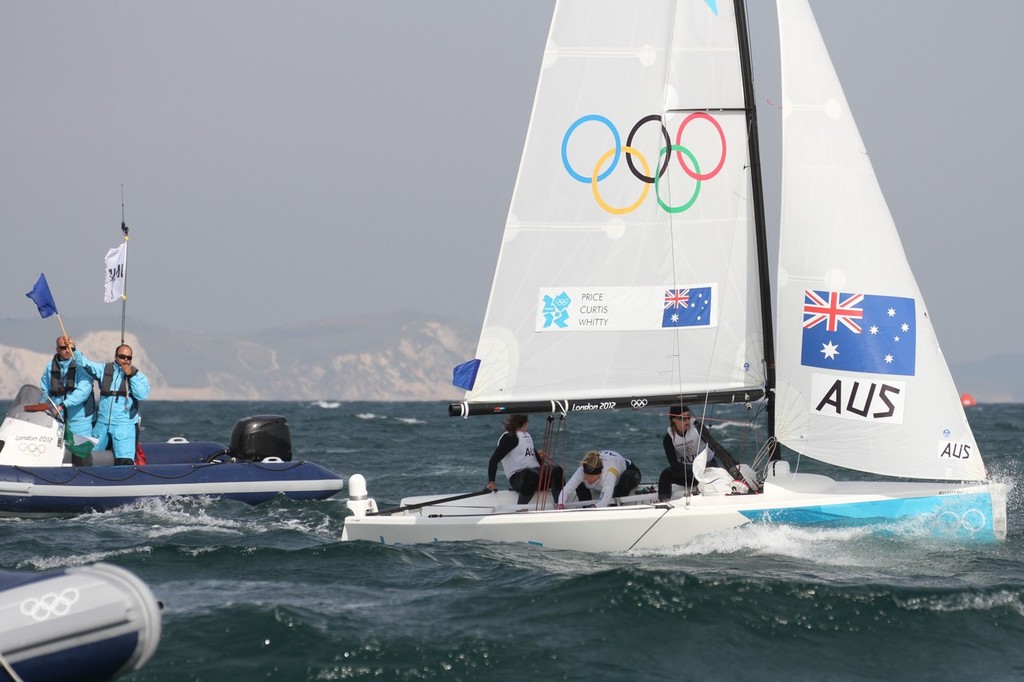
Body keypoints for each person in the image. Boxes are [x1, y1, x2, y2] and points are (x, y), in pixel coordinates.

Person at [74, 344, 150, 465]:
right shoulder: (104, 370)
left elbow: (142, 395)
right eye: (122, 356)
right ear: (115, 357)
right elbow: (85, 364)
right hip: (102, 424)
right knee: (89, 457)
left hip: (123, 426)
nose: (125, 360)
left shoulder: (138, 376)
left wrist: (131, 376)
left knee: (124, 461)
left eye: (128, 358)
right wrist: (73, 350)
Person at [658, 404, 738, 502]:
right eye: (683, 418)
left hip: (706, 468)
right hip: (687, 473)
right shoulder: (669, 438)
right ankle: (663, 502)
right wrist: (693, 471)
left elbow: (716, 447)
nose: (687, 421)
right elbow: (674, 464)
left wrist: (735, 466)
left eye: (688, 417)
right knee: (665, 475)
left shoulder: (697, 428)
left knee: (711, 469)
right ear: (674, 419)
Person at [486, 414, 564, 505]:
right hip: (519, 478)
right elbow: (493, 460)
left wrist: (540, 458)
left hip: (535, 475)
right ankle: (521, 508)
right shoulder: (510, 437)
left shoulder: (526, 437)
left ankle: (559, 504)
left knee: (557, 471)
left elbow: (537, 463)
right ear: (524, 423)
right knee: (531, 475)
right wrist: (491, 481)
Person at [39, 335, 95, 438]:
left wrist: (62, 405)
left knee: (80, 451)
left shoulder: (81, 366)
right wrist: (40, 408)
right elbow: (45, 390)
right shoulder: (50, 367)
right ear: (57, 350)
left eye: (69, 347)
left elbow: (83, 391)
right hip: (57, 418)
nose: (67, 350)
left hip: (79, 420)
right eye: (63, 348)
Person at [556, 449, 641, 509]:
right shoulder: (582, 469)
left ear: (600, 473)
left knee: (627, 478)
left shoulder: (610, 472)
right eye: (587, 476)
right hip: (604, 481)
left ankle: (614, 507)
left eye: (592, 477)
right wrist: (560, 504)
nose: (589, 479)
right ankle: (585, 507)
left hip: (630, 472)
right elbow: (566, 489)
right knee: (580, 482)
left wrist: (596, 507)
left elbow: (605, 499)